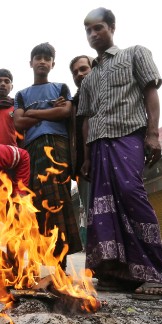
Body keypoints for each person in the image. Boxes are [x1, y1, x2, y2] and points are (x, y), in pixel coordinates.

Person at [77, 7, 162, 300]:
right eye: (89, 30)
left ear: (112, 27)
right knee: (102, 206)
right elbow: (85, 118)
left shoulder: (135, 53)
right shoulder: (88, 79)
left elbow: (150, 92)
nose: (94, 34)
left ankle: (158, 275)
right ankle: (117, 273)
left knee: (130, 192)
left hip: (128, 135)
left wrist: (152, 133)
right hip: (97, 144)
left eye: (99, 28)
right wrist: (85, 157)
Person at [13, 43, 83, 270]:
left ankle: (60, 262)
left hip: (58, 146)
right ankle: (37, 260)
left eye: (47, 58)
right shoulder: (21, 94)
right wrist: (48, 112)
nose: (42, 61)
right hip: (32, 149)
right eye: (38, 58)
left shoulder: (61, 87)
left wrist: (33, 112)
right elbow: (18, 122)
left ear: (53, 63)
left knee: (58, 200)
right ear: (31, 62)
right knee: (35, 203)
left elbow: (64, 112)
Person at [69, 55, 94, 247]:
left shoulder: (105, 91)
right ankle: (104, 264)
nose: (79, 74)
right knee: (92, 210)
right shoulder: (74, 102)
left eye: (84, 69)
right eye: (75, 72)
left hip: (107, 156)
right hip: (84, 167)